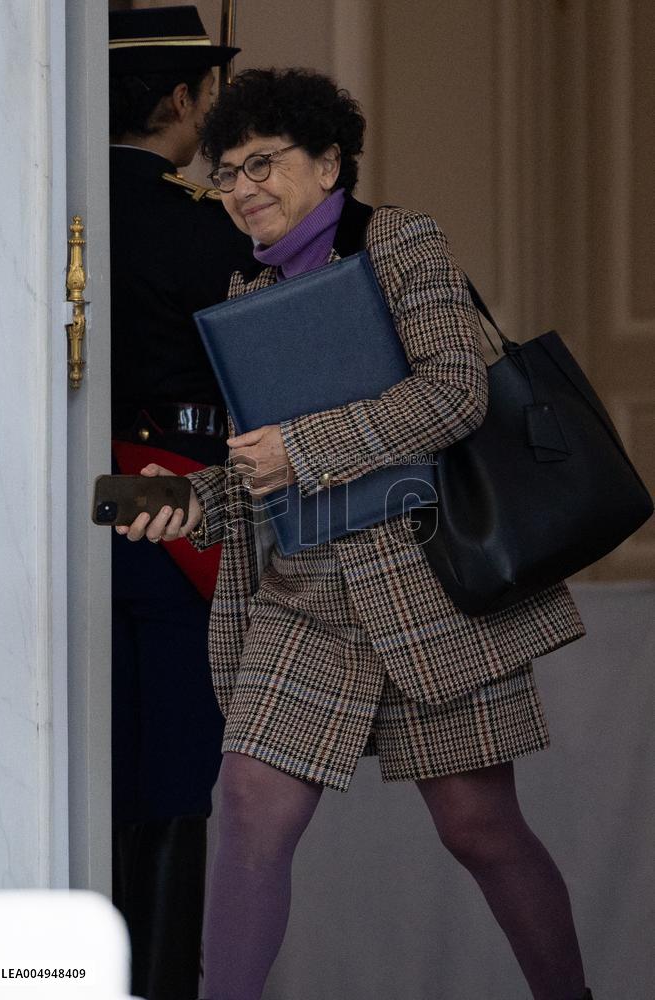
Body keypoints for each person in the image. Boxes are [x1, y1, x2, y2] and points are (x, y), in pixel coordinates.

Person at [118, 68, 594, 1000]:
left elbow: (453, 393)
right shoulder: (240, 283)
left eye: (265, 164)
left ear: (330, 160)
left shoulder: (400, 242)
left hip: (432, 587)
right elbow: (269, 464)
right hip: (305, 598)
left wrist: (302, 446)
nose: (245, 187)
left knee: (478, 828)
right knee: (250, 811)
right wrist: (196, 503)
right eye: (227, 172)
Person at [108, 9, 254, 1000]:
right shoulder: (204, 225)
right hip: (178, 526)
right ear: (178, 101)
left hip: (70, 526)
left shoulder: (43, 204)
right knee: (171, 783)